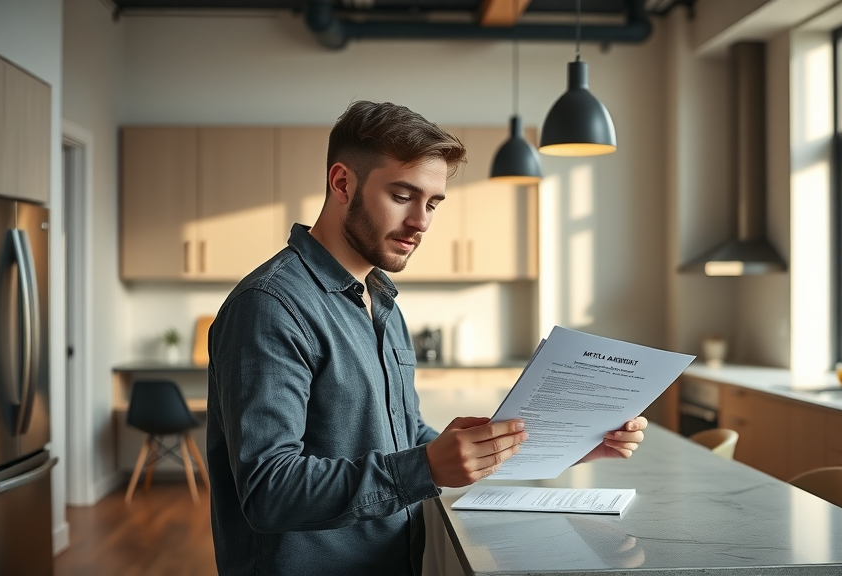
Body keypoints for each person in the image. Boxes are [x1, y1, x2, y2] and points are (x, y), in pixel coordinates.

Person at [206, 100, 649, 576]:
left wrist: (564, 441)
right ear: (342, 183)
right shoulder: (271, 306)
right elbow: (269, 491)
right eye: (402, 196)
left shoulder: (380, 301)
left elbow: (403, 434)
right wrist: (426, 468)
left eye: (433, 203)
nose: (421, 222)